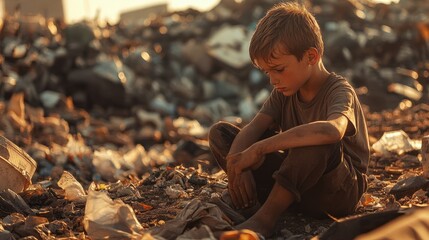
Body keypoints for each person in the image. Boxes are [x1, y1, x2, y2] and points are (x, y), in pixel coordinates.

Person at [208, 2, 370, 237]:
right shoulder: (284, 92)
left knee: (316, 140)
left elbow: (332, 131)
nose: (273, 80)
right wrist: (236, 163)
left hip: (337, 192)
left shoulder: (339, 91)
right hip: (297, 185)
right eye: (267, 72)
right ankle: (257, 203)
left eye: (279, 69)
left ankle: (265, 219)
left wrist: (260, 149)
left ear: (311, 56)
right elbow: (253, 129)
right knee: (221, 134)